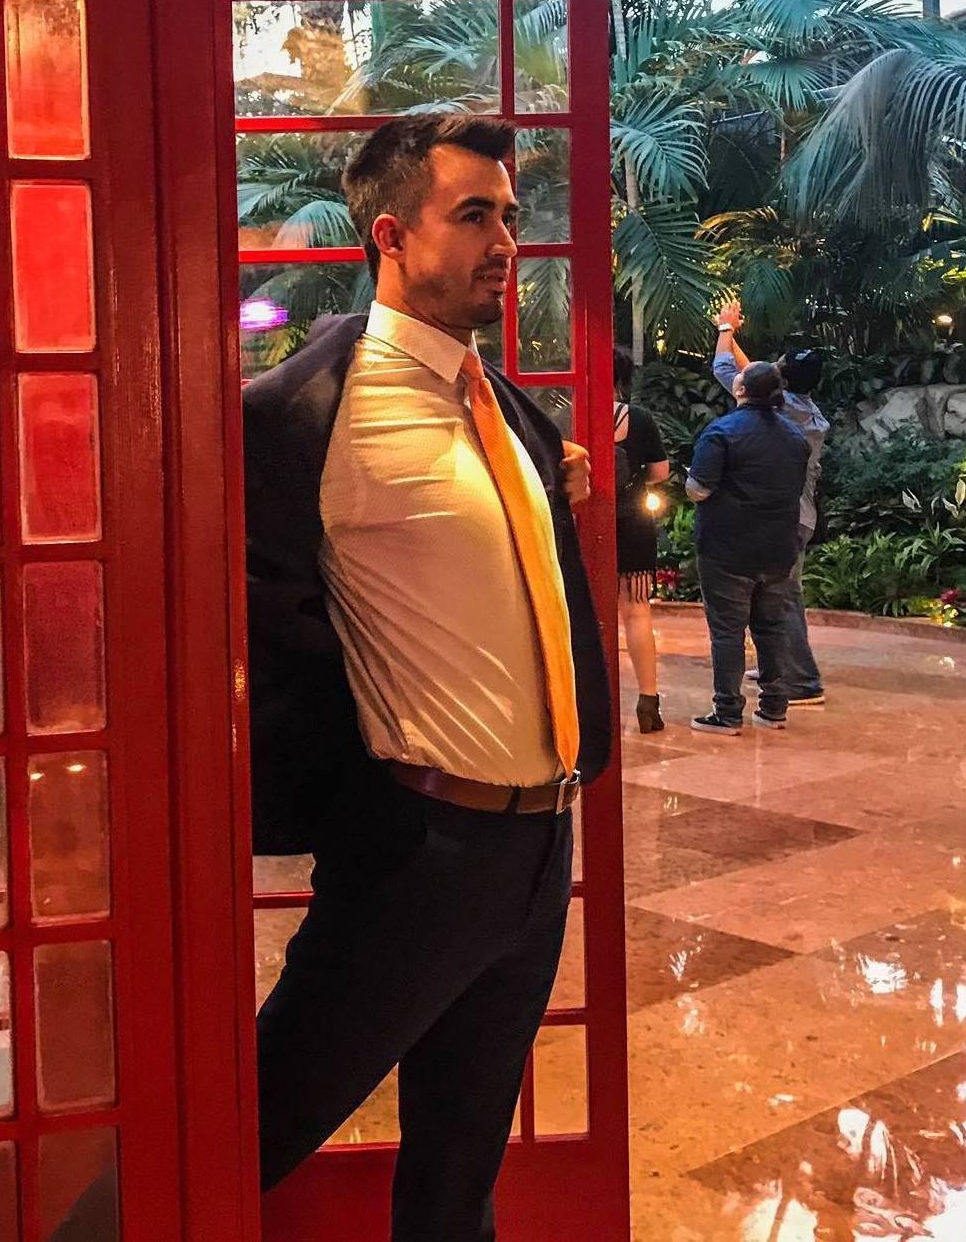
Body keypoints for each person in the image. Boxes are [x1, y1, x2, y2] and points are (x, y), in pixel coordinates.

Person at [243, 113, 612, 1242]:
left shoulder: (505, 408)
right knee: (240, 1130)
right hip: (418, 850)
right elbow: (250, 619)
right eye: (474, 215)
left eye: (510, 215)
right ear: (392, 236)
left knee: (458, 1178)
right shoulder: (306, 413)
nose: (506, 241)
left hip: (540, 845)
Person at [711, 301, 828, 706]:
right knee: (772, 595)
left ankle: (803, 681)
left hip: (785, 519)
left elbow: (727, 371)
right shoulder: (803, 408)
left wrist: (725, 329)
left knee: (785, 598)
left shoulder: (782, 409)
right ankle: (777, 667)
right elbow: (753, 374)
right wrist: (731, 332)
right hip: (795, 516)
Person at [685, 360, 808, 734]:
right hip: (779, 548)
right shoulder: (795, 436)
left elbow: (699, 489)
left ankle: (727, 711)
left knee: (727, 631)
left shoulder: (721, 432)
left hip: (727, 549)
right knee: (772, 628)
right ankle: (773, 708)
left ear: (740, 390)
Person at [611, 347, 670, 732]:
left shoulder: (568, 414)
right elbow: (661, 473)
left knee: (584, 612)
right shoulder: (640, 418)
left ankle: (586, 701)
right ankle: (648, 701)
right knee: (636, 612)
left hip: (585, 522)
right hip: (633, 523)